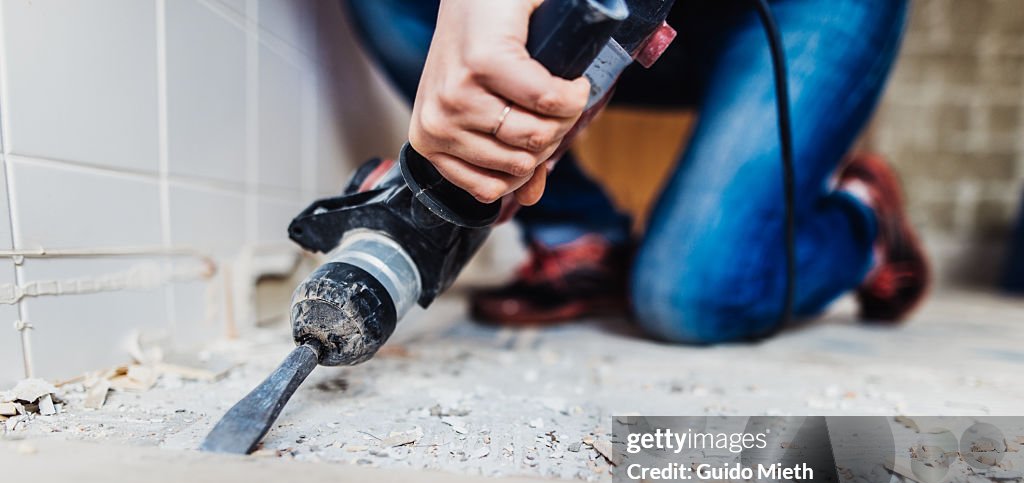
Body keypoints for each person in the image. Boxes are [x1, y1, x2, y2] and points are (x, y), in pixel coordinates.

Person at [344, 0, 930, 343]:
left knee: (690, 297)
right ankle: (579, 236)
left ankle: (864, 227)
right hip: (663, 18)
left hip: (797, 12)